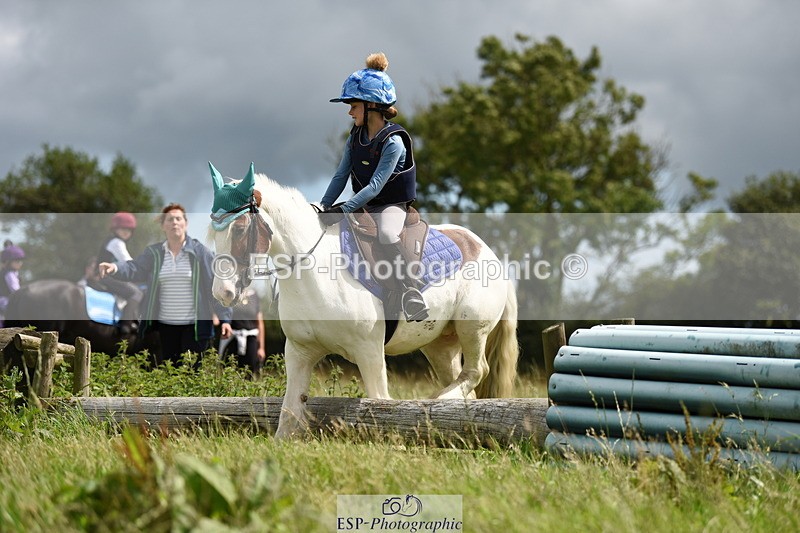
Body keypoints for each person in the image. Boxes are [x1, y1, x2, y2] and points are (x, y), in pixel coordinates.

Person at [319, 52, 429, 321]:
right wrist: (322, 205)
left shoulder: (393, 142)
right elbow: (341, 175)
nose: (349, 111)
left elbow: (376, 186)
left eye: (353, 105)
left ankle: (411, 292)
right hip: (367, 205)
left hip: (392, 205)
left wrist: (344, 209)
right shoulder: (354, 136)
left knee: (388, 234)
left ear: (371, 106)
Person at [98, 203, 232, 365]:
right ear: (163, 226)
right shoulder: (154, 253)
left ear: (185, 223)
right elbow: (135, 268)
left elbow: (214, 286)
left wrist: (225, 319)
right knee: (171, 374)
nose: (174, 222)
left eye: (178, 218)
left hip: (194, 328)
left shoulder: (200, 252)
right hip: (165, 327)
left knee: (193, 375)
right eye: (169, 219)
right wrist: (115, 268)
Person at [95, 212, 144, 334]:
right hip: (107, 277)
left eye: (129, 229)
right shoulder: (116, 242)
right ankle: (125, 324)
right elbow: (128, 262)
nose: (126, 232)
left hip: (106, 276)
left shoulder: (112, 241)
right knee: (137, 293)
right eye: (123, 228)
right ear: (115, 228)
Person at [216, 286, 266, 376]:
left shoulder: (254, 296)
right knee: (229, 371)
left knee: (249, 372)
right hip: (232, 338)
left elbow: (260, 323)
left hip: (251, 339)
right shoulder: (229, 294)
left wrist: (261, 348)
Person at [0, 242, 25, 327]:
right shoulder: (9, 274)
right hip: (5, 301)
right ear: (9, 262)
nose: (20, 263)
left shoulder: (14, 273)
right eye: (17, 261)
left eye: (21, 260)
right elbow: (16, 290)